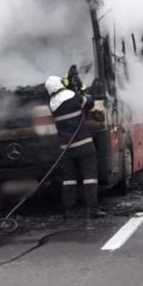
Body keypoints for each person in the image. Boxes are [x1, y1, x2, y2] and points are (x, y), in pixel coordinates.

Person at [45, 75, 105, 219]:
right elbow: (89, 102)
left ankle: (70, 210)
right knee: (90, 177)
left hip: (66, 148)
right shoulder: (73, 96)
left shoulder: (52, 104)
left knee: (69, 180)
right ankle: (91, 209)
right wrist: (81, 89)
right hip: (84, 144)